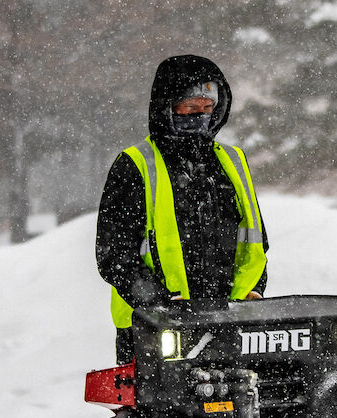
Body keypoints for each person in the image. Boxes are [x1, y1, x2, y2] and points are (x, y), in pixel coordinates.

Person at [96, 54, 268, 364]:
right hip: (153, 329)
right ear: (167, 107)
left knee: (242, 407)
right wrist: (154, 301)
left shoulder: (233, 162)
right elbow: (113, 253)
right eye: (190, 109)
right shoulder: (135, 165)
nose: (200, 116)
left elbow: (255, 243)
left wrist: (253, 292)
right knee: (158, 412)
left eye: (207, 109)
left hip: (229, 323)